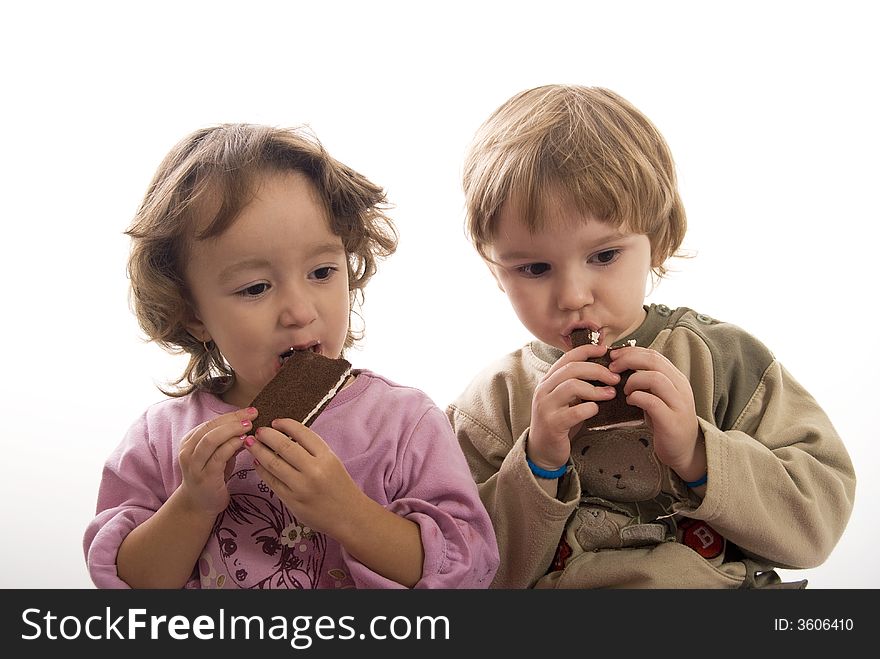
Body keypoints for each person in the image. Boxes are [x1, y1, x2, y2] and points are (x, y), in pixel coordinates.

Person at [447, 85, 855, 588]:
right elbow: (463, 573)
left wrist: (697, 452)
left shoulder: (724, 362)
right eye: (534, 267)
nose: (573, 295)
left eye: (604, 256)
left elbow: (816, 527)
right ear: (496, 271)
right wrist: (538, 463)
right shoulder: (491, 405)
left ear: (658, 239)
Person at [84, 123, 499, 589]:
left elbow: (468, 568)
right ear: (193, 313)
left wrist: (346, 512)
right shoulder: (163, 439)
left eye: (322, 271)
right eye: (256, 287)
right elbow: (126, 584)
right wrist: (192, 503)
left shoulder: (403, 423)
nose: (300, 312)